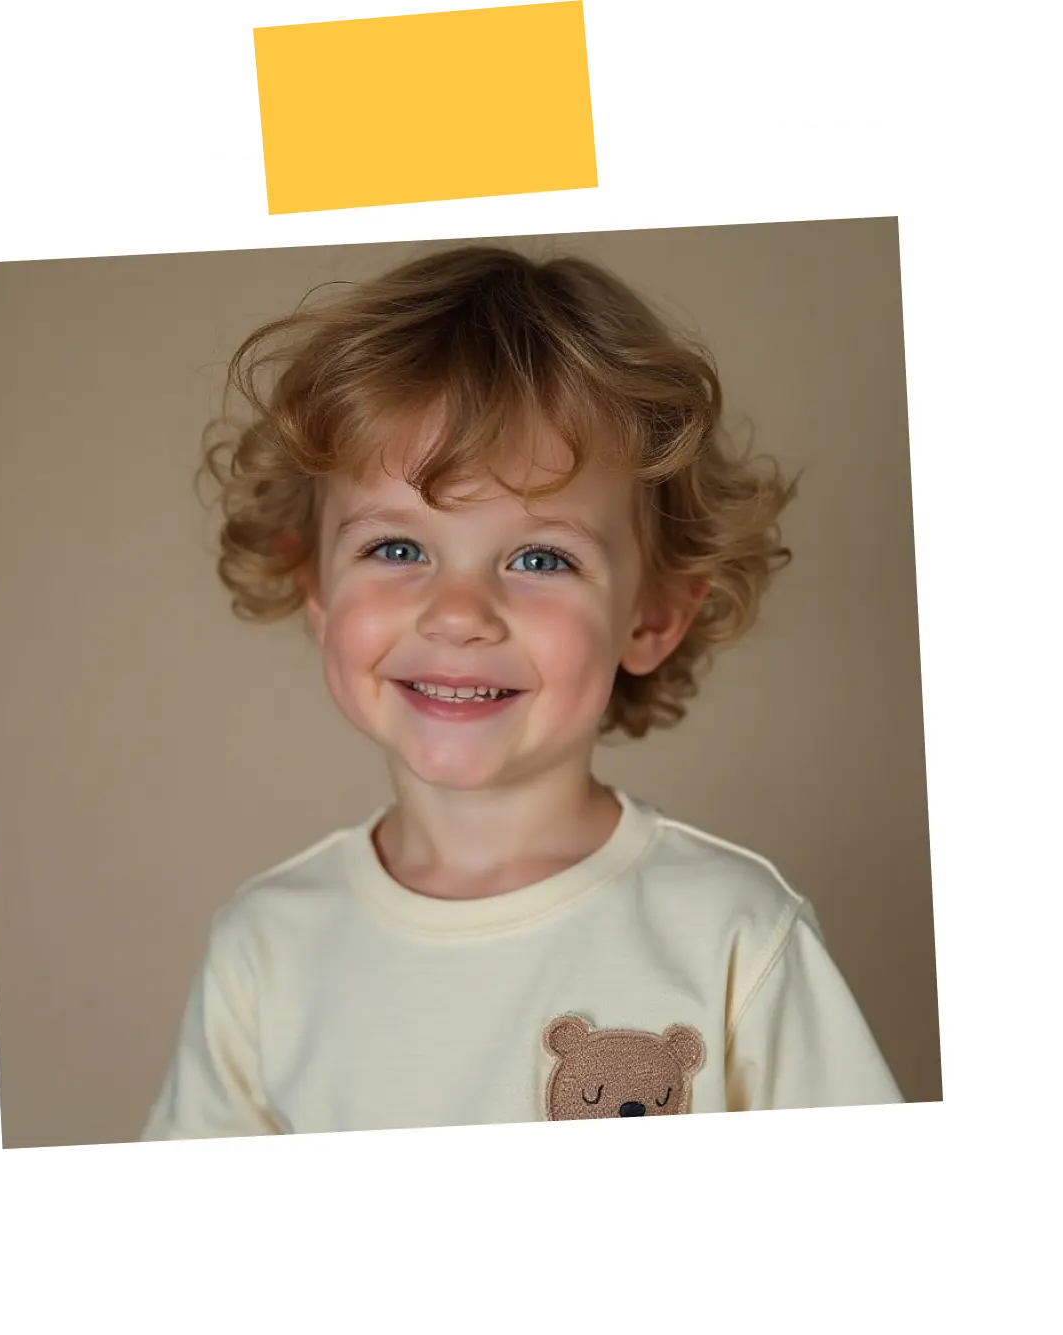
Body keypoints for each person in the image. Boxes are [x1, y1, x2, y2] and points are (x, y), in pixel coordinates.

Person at [141, 244, 903, 1139]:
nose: (458, 613)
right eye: (396, 548)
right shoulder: (264, 950)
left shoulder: (735, 933)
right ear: (315, 588)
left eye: (540, 557)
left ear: (651, 616)